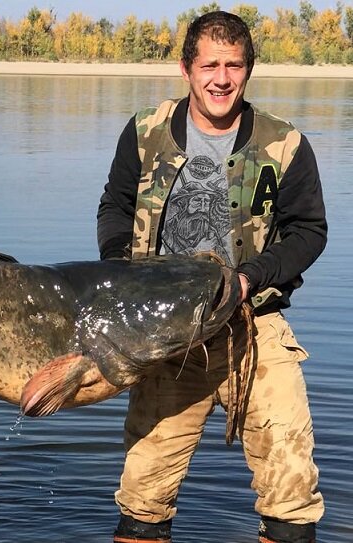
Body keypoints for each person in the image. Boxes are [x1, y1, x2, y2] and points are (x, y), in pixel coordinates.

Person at [97, 11, 326, 543]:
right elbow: (115, 206)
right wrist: (119, 271)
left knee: (292, 495)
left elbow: (308, 233)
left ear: (248, 71)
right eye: (210, 65)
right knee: (143, 498)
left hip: (254, 327)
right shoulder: (144, 132)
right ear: (186, 69)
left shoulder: (286, 144)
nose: (221, 78)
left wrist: (249, 278)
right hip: (163, 335)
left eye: (234, 65)